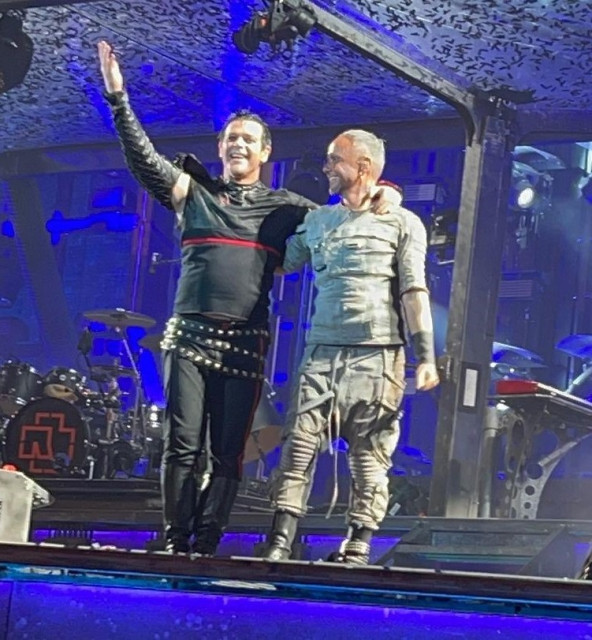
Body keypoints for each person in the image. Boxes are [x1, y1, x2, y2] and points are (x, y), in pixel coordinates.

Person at [97, 42, 401, 556]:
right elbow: (143, 160)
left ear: (265, 153)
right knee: (182, 445)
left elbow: (345, 212)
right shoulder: (193, 194)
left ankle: (207, 541)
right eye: (231, 138)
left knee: (228, 452)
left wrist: (386, 189)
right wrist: (118, 100)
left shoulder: (288, 210)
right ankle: (176, 541)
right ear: (220, 148)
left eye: (249, 139)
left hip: (244, 343)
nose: (239, 144)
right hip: (189, 337)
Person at [262, 129, 440, 565]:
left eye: (334, 159)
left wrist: (426, 357)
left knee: (370, 454)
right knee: (298, 445)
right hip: (322, 351)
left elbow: (414, 290)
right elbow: (281, 261)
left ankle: (358, 543)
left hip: (378, 354)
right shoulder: (320, 220)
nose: (326, 167)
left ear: (362, 166)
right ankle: (280, 540)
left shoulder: (402, 222)